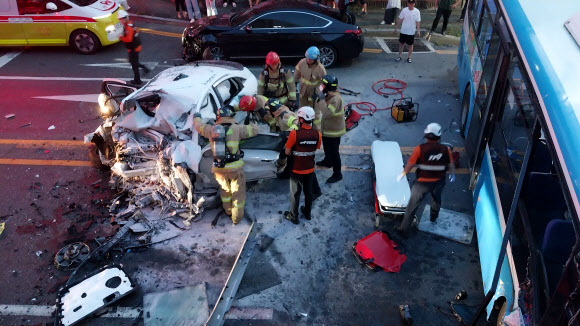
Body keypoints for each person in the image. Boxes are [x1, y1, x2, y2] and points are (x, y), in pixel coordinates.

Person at [193, 105, 260, 224]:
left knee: (225, 192)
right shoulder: (237, 128)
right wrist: (254, 120)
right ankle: (236, 218)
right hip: (235, 169)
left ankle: (228, 212)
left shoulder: (211, 129)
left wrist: (197, 117)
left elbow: (199, 126)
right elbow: (255, 130)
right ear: (230, 116)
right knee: (238, 194)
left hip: (219, 169)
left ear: (218, 117)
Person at [396, 123, 455, 236]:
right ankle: (433, 218)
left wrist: (402, 174)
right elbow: (451, 164)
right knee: (436, 200)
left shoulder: (420, 149)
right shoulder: (445, 150)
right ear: (439, 136)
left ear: (426, 136)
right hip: (438, 182)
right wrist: (452, 174)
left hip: (421, 184)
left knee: (412, 206)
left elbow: (410, 165)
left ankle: (403, 230)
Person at [283, 106, 322, 224]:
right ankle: (307, 213)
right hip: (309, 168)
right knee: (308, 192)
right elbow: (315, 148)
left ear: (301, 120)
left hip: (296, 169)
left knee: (295, 193)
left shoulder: (294, 134)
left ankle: (293, 216)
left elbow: (287, 152)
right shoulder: (318, 134)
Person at [313, 75, 345, 184]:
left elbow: (326, 114)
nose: (321, 86)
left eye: (323, 85)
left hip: (334, 132)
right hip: (328, 130)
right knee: (326, 147)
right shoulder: (330, 94)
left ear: (328, 87)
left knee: (334, 152)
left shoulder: (335, 99)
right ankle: (327, 161)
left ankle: (337, 174)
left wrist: (321, 99)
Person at [294, 46, 326, 132]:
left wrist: (319, 93)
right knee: (301, 112)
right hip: (303, 93)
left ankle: (316, 132)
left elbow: (324, 83)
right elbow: (297, 73)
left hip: (314, 95)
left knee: (316, 116)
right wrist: (295, 82)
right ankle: (301, 130)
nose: (308, 60)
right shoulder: (302, 62)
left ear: (316, 59)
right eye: (307, 58)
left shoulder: (320, 68)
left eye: (311, 59)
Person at [118, 10, 150, 85]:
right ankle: (143, 69)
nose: (120, 21)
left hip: (134, 48)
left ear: (125, 18)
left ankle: (138, 80)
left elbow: (129, 39)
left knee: (134, 65)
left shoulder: (128, 27)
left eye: (121, 19)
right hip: (135, 47)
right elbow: (137, 31)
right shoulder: (130, 24)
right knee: (133, 63)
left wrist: (121, 38)